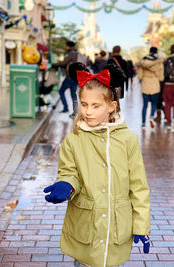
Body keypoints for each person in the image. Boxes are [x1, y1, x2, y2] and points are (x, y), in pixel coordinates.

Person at [43, 62, 151, 267]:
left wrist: (141, 224)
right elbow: (68, 171)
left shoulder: (128, 139)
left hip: (115, 228)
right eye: (84, 104)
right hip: (86, 226)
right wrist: (67, 183)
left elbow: (138, 186)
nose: (88, 111)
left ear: (111, 106)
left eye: (95, 106)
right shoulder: (73, 139)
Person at [138, 47, 164, 129]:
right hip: (155, 84)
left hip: (145, 84)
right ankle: (152, 116)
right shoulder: (159, 63)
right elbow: (161, 78)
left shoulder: (143, 62)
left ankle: (143, 123)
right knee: (154, 103)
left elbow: (139, 76)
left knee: (145, 105)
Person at [52, 41, 79, 118]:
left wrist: (54, 64)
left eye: (66, 46)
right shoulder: (76, 53)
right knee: (73, 94)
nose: (65, 47)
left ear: (68, 46)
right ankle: (75, 112)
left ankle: (66, 108)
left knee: (61, 91)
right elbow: (66, 63)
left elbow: (64, 63)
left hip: (70, 76)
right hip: (75, 76)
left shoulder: (70, 53)